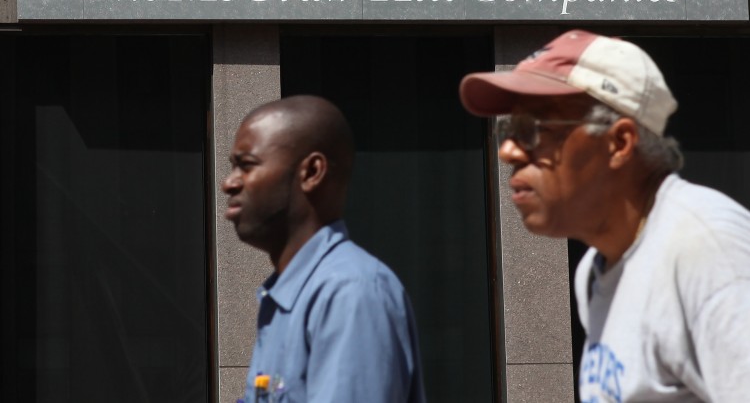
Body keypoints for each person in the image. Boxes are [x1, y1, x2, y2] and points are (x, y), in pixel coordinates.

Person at [459, 30, 750, 402]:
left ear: (620, 143)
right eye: (507, 130)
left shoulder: (708, 252)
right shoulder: (596, 267)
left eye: (534, 129)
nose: (509, 151)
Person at [222, 95, 425, 403]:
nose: (229, 183)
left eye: (246, 165)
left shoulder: (349, 293)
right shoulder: (288, 297)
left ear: (312, 172)